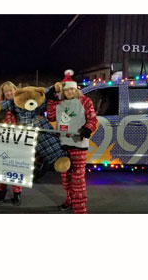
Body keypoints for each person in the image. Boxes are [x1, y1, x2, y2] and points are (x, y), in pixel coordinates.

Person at [47, 70, 98, 214]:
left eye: (71, 89)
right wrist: (50, 99)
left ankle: (80, 208)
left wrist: (87, 129)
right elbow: (51, 117)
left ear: (75, 89)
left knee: (77, 179)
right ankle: (70, 200)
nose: (69, 91)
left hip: (79, 145)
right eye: (66, 89)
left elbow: (92, 119)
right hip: (63, 145)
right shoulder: (59, 103)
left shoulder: (85, 101)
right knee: (66, 178)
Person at [0, 81, 22, 206]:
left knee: (16, 168)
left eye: (10, 90)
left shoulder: (21, 106)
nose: (8, 93)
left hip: (17, 142)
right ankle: (1, 193)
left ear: (15, 90)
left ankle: (17, 194)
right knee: (1, 168)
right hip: (1, 142)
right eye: (6, 91)